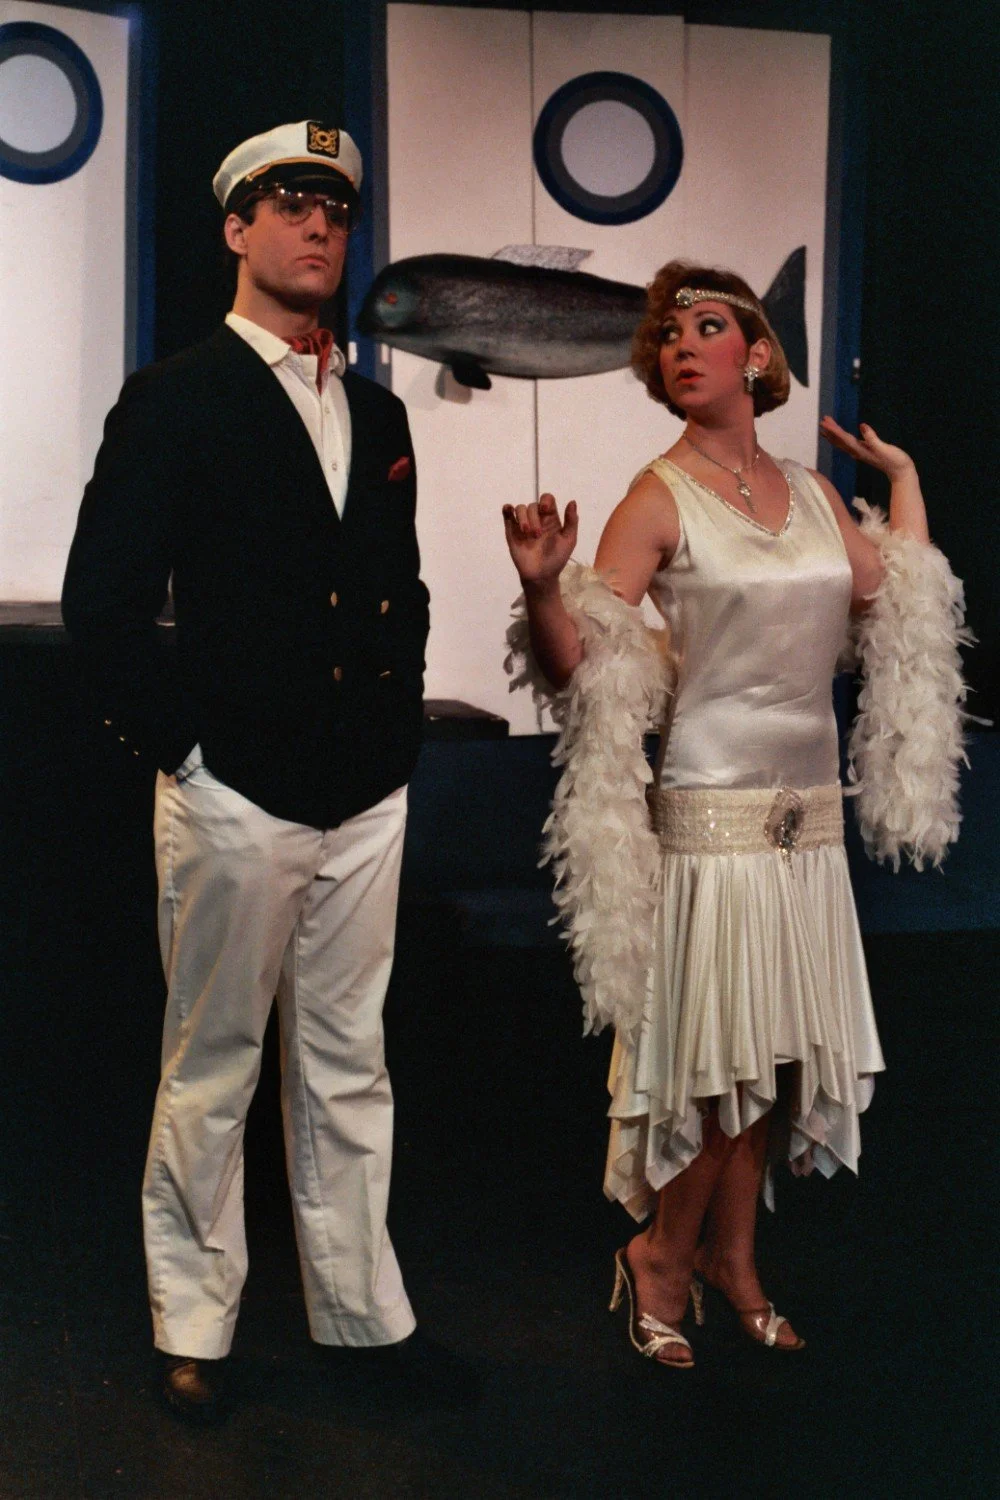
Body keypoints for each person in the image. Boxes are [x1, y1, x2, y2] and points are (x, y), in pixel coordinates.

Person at [503, 261, 966, 1368]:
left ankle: (734, 1259)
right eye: (666, 334)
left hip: (805, 814)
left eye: (705, 326)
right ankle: (661, 1258)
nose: (680, 343)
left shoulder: (808, 489)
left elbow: (893, 593)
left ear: (756, 353)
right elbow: (587, 675)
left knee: (773, 1057)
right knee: (717, 1065)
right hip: (711, 810)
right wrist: (539, 587)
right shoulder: (653, 496)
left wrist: (900, 476)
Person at [62, 121, 432, 1420]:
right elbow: (101, 604)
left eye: (334, 206)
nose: (317, 224)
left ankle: (363, 1319)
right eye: (288, 201)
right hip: (238, 790)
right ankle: (195, 1324)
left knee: (349, 1061)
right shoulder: (176, 396)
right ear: (235, 228)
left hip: (365, 788)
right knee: (212, 1061)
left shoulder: (377, 407)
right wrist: (187, 753)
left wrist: (395, 745)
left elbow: (400, 589)